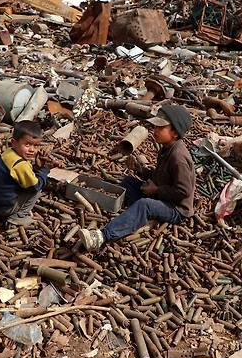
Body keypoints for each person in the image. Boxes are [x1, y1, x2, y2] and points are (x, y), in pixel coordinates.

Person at [78, 104, 195, 251]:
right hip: (162, 197)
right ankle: (130, 216)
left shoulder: (179, 158)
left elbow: (183, 191)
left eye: (161, 128)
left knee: (145, 205)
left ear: (175, 133)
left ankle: (101, 237)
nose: (155, 131)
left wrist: (156, 191)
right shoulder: (166, 148)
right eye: (155, 127)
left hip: (176, 209)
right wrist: (139, 170)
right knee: (129, 182)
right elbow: (160, 176)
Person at [0, 120, 49, 226]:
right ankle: (17, 217)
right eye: (27, 145)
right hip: (4, 208)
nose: (32, 150)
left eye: (35, 146)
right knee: (37, 190)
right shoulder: (21, 165)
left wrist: (37, 167)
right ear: (14, 142)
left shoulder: (8, 153)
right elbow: (35, 186)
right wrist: (44, 170)